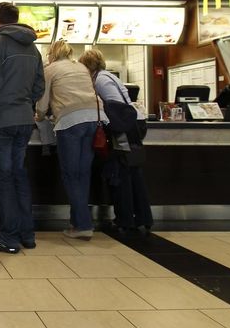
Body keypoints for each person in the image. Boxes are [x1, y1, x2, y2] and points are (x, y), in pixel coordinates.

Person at [0, 2, 45, 253]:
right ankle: (26, 234)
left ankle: (8, 237)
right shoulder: (33, 48)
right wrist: (25, 105)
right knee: (18, 177)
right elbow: (38, 87)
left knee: (2, 180)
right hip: (24, 120)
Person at [78, 49, 153, 234]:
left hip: (122, 130)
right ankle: (143, 217)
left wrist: (111, 129)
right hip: (132, 126)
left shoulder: (101, 80)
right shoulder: (109, 77)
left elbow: (115, 107)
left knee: (120, 175)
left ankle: (124, 219)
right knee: (134, 174)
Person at [35, 40, 103, 241]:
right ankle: (77, 223)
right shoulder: (81, 66)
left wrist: (38, 116)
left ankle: (83, 225)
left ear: (52, 54)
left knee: (71, 175)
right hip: (93, 118)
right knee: (83, 174)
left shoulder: (51, 69)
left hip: (71, 121)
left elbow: (42, 103)